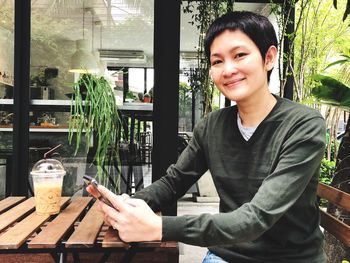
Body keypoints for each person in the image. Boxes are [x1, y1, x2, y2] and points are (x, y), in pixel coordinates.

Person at [87, 11, 326, 263]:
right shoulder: (213, 125)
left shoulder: (303, 125)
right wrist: (127, 205)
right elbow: (173, 183)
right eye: (217, 61)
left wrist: (159, 227)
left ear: (269, 57)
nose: (228, 69)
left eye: (240, 55)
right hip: (228, 254)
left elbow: (256, 219)